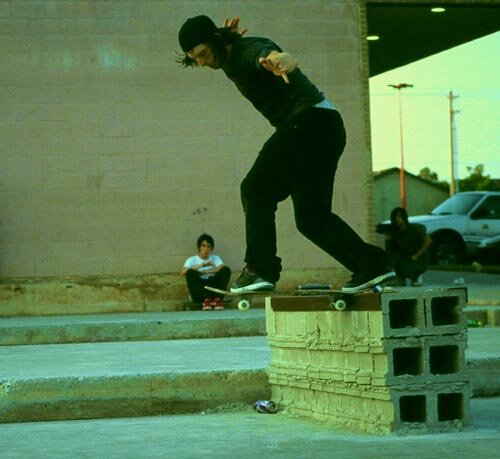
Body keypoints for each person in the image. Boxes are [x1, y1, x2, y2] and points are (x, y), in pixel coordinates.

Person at [177, 15, 395, 293]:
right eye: (195, 59)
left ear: (215, 41)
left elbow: (266, 53)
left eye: (204, 54)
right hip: (326, 127)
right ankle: (372, 265)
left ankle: (260, 268)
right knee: (311, 219)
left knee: (256, 189)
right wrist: (226, 38)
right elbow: (233, 49)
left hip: (308, 122)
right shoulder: (229, 51)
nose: (203, 62)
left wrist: (281, 59)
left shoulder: (248, 51)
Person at [384, 207, 432, 286]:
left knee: (413, 267)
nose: (397, 219)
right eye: (395, 217)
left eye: (400, 216)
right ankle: (400, 278)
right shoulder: (394, 231)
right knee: (393, 255)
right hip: (404, 257)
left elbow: (428, 240)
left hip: (416, 256)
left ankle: (415, 278)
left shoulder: (414, 229)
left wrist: (418, 254)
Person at [181, 234, 231, 310]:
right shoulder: (191, 260)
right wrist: (203, 265)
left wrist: (204, 272)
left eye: (208, 246)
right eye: (203, 246)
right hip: (199, 291)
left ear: (211, 249)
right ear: (199, 248)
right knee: (190, 272)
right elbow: (183, 272)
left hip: (213, 288)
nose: (206, 249)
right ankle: (206, 300)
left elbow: (222, 267)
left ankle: (217, 299)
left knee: (226, 270)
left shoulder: (215, 258)